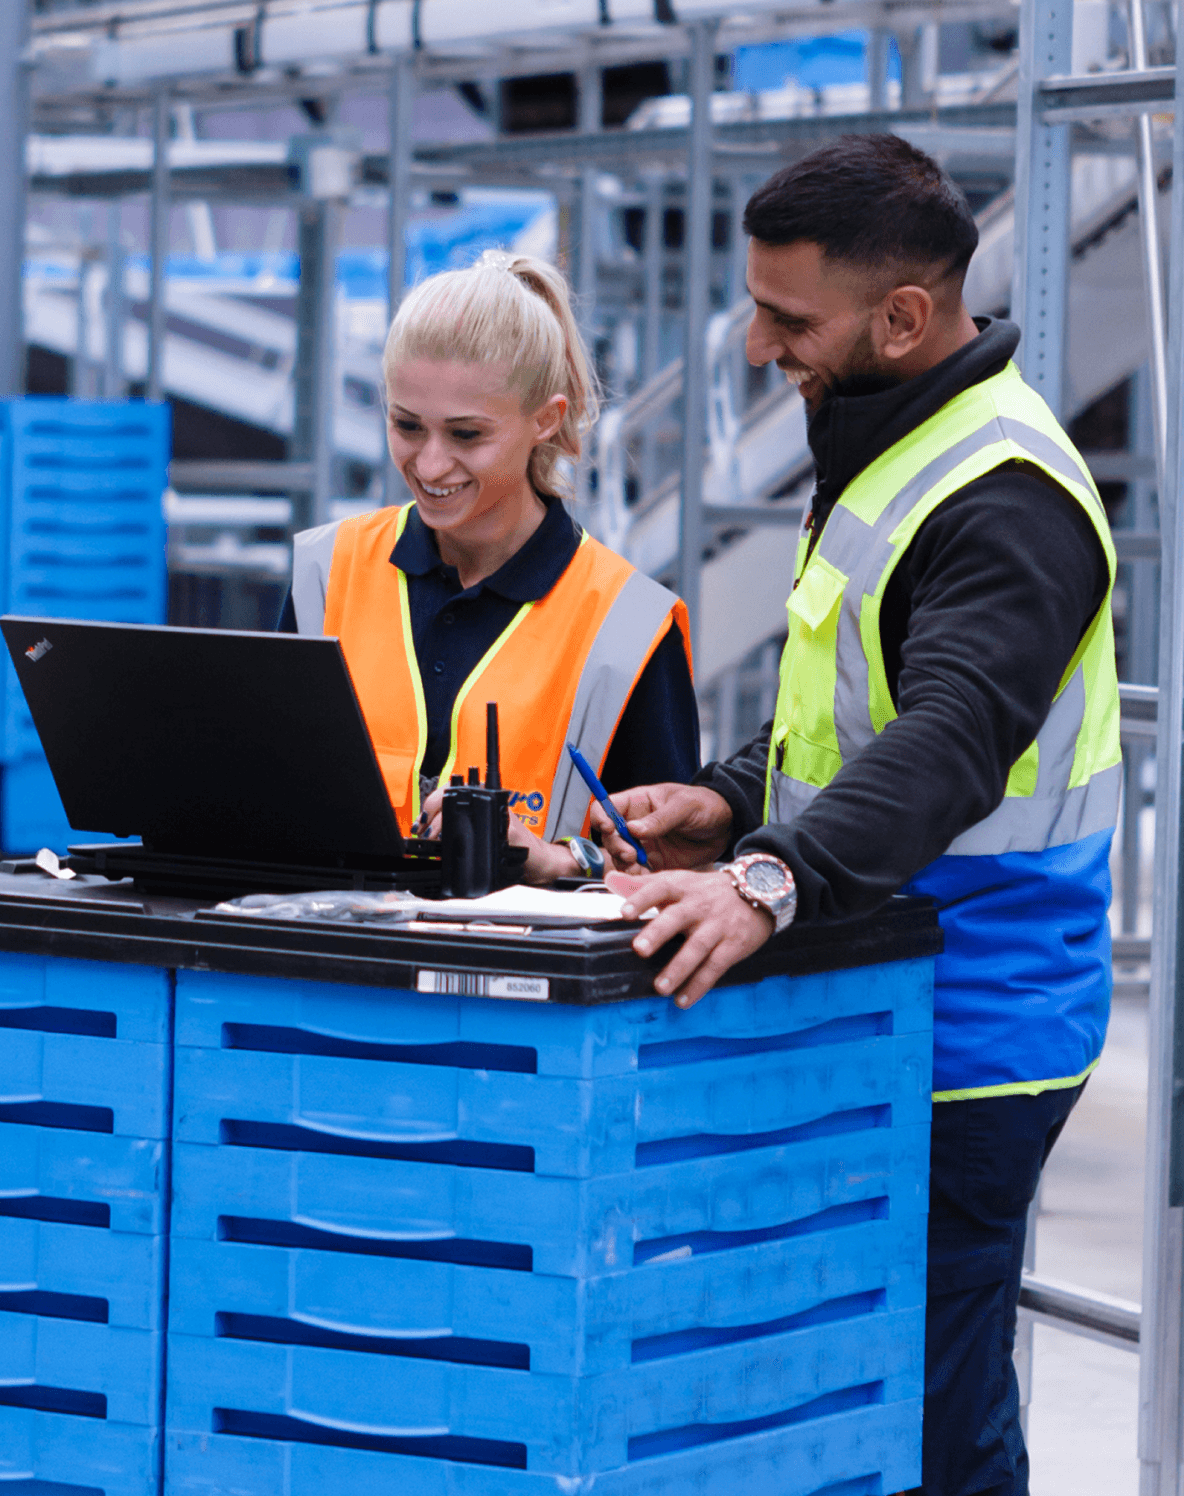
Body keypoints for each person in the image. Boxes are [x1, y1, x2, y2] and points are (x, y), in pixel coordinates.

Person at [596, 135, 1119, 1496]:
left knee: (933, 1413)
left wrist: (770, 879)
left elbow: (952, 738)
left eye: (789, 319)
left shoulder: (1006, 497)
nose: (762, 349)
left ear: (904, 315)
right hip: (889, 984)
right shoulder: (892, 438)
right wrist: (726, 795)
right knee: (846, 1382)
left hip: (980, 1021)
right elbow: (859, 719)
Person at [281, 250, 699, 881]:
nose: (429, 464)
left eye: (467, 435)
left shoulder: (632, 626)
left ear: (546, 420)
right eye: (406, 426)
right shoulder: (324, 570)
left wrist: (552, 860)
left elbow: (668, 874)